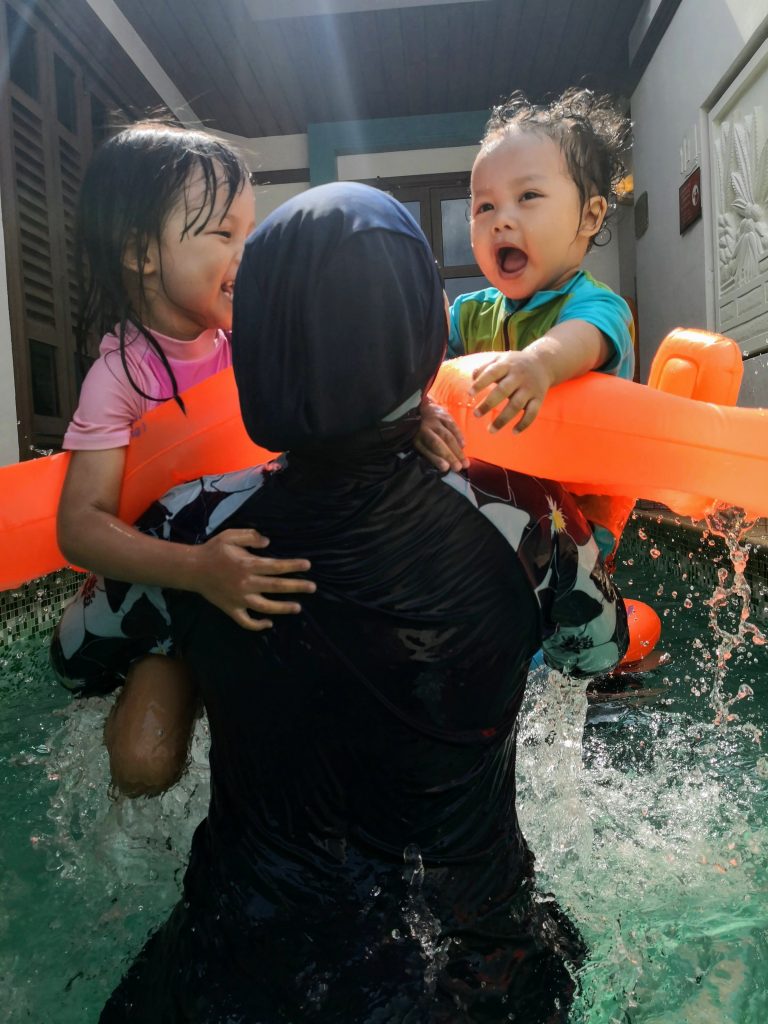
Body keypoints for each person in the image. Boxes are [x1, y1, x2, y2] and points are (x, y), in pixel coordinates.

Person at [92, 182, 628, 1023]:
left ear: (261, 341)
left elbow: (76, 658)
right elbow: (596, 651)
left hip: (237, 974)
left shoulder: (189, 531)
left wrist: (178, 647)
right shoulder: (528, 519)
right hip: (475, 976)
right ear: (422, 334)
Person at [51, 122, 314, 797]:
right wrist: (199, 570)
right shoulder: (122, 378)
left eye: (249, 235)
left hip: (243, 579)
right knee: (145, 763)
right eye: (224, 235)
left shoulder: (245, 346)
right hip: (172, 586)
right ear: (142, 253)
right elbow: (81, 526)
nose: (245, 254)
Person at [417, 88, 635, 559]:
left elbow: (582, 339)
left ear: (590, 215)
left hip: (578, 517)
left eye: (528, 196)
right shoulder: (471, 312)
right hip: (497, 498)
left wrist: (539, 364)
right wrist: (418, 403)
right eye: (484, 207)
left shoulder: (596, 306)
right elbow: (426, 365)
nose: (500, 221)